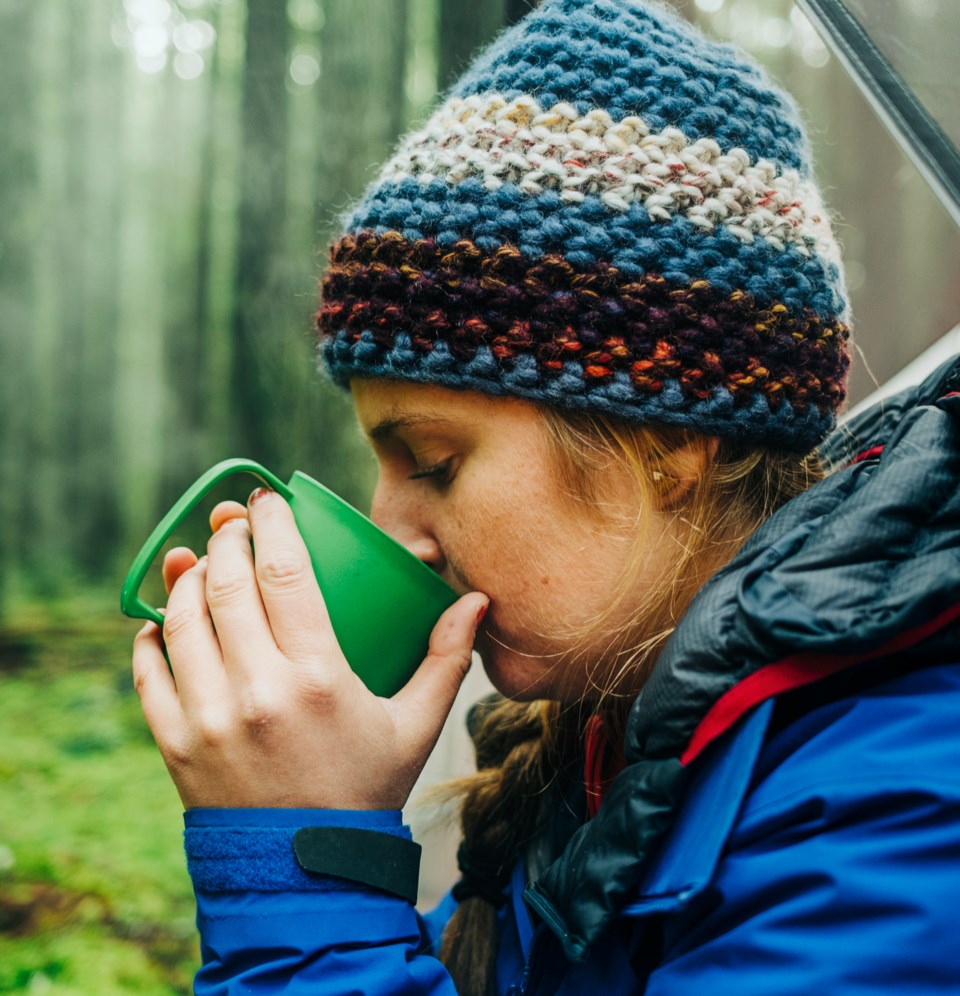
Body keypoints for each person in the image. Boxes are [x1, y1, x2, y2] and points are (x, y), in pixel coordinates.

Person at [131, 0, 960, 992]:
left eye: (433, 462)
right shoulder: (597, 746)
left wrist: (305, 881)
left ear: (673, 443)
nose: (399, 529)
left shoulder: (893, 811)